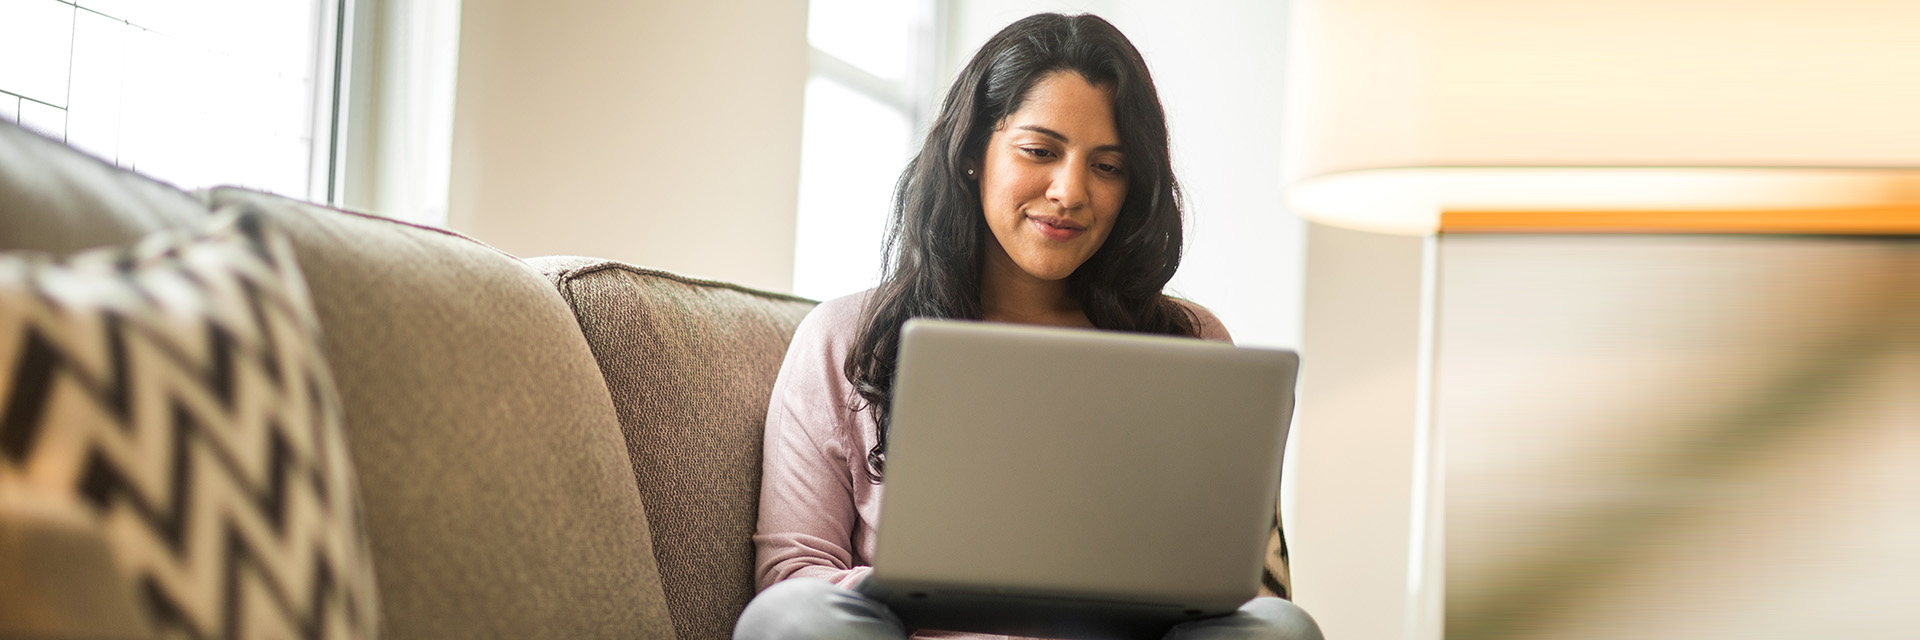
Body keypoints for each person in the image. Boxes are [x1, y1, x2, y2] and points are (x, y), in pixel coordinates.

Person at [737, 12, 1322, 640]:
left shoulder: (1191, 343)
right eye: (1040, 151)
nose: (1070, 192)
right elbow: (793, 573)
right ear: (973, 153)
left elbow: (1241, 587)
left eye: (1108, 166)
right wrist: (903, 591)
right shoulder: (847, 338)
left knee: (1279, 626)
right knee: (791, 617)